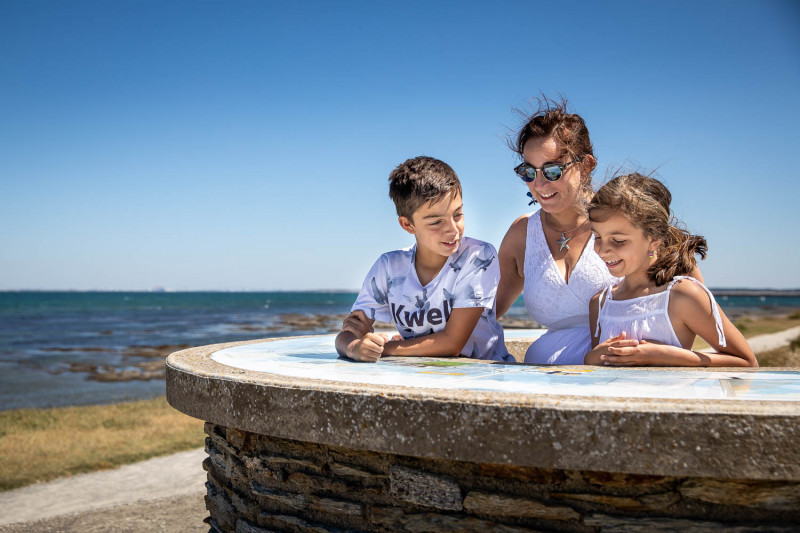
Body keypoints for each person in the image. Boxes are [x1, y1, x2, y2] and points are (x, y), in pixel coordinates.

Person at [335, 156, 513, 363]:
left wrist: (385, 348)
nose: (453, 229)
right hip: (422, 375)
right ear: (408, 225)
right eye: (436, 222)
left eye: (458, 215)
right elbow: (349, 333)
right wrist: (354, 347)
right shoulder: (389, 267)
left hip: (483, 375)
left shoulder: (477, 256)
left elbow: (452, 343)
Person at [584, 173, 757, 367]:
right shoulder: (600, 303)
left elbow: (748, 362)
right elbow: (594, 365)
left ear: (654, 239)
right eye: (597, 236)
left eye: (619, 241)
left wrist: (668, 356)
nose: (602, 249)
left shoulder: (683, 295)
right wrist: (593, 357)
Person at [496, 98, 619, 364]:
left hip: (615, 386)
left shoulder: (624, 221)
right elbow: (483, 312)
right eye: (528, 171)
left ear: (586, 164)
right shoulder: (522, 233)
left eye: (552, 170)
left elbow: (688, 294)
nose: (539, 184)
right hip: (540, 389)